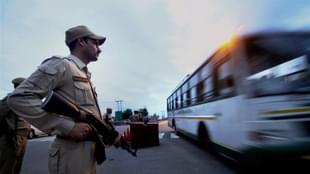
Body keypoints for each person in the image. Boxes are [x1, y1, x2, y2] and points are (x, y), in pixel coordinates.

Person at [7, 25, 120, 174]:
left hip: (87, 152)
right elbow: (19, 98)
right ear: (81, 41)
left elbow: (86, 113)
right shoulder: (62, 65)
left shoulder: (84, 74)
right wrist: (67, 127)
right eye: (95, 43)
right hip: (71, 153)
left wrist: (104, 127)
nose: (99, 49)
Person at [0, 77, 30, 174]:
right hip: (12, 138)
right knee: (8, 168)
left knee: (17, 166)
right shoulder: (11, 98)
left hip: (21, 138)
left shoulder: (23, 100)